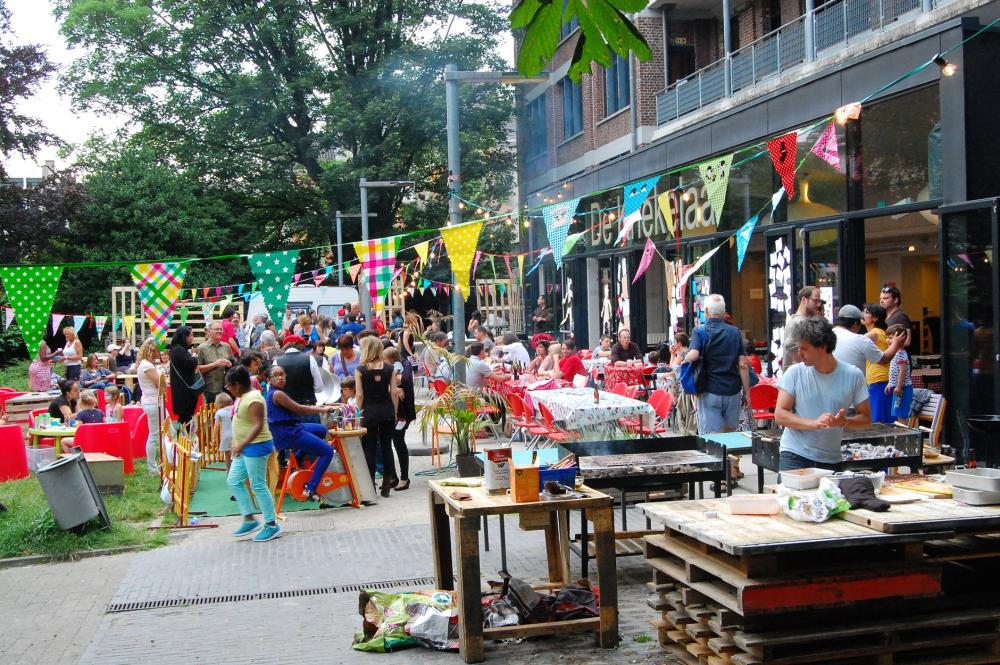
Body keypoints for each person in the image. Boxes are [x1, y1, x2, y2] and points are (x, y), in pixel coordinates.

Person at [775, 318, 871, 470]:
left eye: (804, 349)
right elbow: (780, 414)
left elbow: (866, 418)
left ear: (822, 347)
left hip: (831, 458)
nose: (799, 354)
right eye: (798, 348)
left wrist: (843, 422)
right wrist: (814, 424)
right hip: (794, 453)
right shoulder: (795, 372)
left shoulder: (853, 375)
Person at [225, 366, 282, 542]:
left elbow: (257, 426)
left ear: (237, 384)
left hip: (257, 446)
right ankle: (249, 518)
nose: (229, 390)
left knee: (258, 485)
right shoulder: (243, 397)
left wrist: (242, 443)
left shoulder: (254, 399)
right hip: (245, 447)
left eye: (229, 386)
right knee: (234, 480)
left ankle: (272, 524)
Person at [265, 364, 337, 502]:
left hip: (292, 427)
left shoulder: (278, 392)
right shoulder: (278, 394)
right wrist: (322, 409)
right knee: (327, 451)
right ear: (269, 380)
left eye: (282, 374)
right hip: (288, 432)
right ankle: (311, 488)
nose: (280, 377)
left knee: (321, 430)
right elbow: (299, 409)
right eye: (276, 375)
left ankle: (296, 460)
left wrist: (320, 407)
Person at [683, 294, 752, 434]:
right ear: (723, 312)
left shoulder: (699, 331)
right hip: (732, 391)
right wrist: (747, 393)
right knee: (729, 434)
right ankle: (729, 456)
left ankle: (717, 457)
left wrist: (684, 356)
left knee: (712, 437)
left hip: (709, 391)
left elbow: (694, 355)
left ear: (706, 311)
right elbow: (743, 364)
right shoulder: (735, 332)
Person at [355, 336, 399, 497]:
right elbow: (394, 392)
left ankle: (370, 483)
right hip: (386, 410)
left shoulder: (360, 370)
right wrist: (394, 412)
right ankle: (387, 482)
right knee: (387, 447)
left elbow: (359, 396)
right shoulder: (390, 368)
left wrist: (357, 415)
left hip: (369, 412)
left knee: (370, 448)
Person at [860, 303, 897, 424]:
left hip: (878, 381)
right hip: (883, 380)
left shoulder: (873, 333)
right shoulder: (882, 332)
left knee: (878, 421)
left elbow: (856, 343)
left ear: (875, 318)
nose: (863, 314)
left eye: (866, 312)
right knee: (886, 420)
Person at [382, 347, 414, 491]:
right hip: (392, 412)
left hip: (401, 413)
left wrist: (392, 385)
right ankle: (394, 476)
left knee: (398, 442)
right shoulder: (395, 367)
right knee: (390, 443)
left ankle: (404, 478)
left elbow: (401, 379)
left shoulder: (402, 366)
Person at [275, 335, 324, 422]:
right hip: (308, 409)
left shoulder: (277, 361)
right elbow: (319, 387)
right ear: (300, 345)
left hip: (286, 410)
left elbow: (274, 389)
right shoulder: (309, 359)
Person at [173, 326, 213, 424]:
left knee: (186, 417)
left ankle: (183, 436)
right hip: (184, 391)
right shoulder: (179, 350)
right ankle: (181, 436)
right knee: (184, 417)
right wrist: (195, 355)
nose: (192, 338)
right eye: (191, 335)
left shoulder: (179, 349)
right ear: (184, 337)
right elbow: (191, 363)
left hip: (185, 389)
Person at [136, 337, 163, 473]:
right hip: (153, 401)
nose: (161, 352)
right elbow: (160, 383)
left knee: (166, 431)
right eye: (159, 349)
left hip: (155, 401)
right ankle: (152, 468)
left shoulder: (146, 364)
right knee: (154, 435)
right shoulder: (147, 365)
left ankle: (166, 462)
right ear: (153, 350)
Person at [781, 286, 821, 370]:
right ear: (804, 300)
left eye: (819, 301)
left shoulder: (801, 320)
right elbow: (789, 346)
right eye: (815, 300)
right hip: (797, 377)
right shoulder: (798, 322)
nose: (818, 304)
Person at [197, 320, 235, 405]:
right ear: (209, 331)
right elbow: (197, 369)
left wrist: (230, 364)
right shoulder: (201, 348)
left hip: (227, 388)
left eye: (221, 329)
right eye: (216, 329)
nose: (219, 331)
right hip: (210, 389)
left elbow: (234, 365)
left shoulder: (226, 346)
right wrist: (214, 364)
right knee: (212, 414)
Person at [885, 324, 913, 423]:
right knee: (897, 412)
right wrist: (890, 383)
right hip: (899, 389)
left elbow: (902, 371)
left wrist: (898, 386)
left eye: (890, 338)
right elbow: (894, 371)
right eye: (887, 338)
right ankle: (901, 432)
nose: (887, 340)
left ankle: (903, 433)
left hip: (903, 389)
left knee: (901, 414)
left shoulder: (901, 354)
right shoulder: (895, 353)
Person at [214, 392, 234, 473]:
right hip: (236, 435)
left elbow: (216, 426)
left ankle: (228, 470)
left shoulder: (219, 412)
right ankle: (235, 471)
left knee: (227, 454)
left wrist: (214, 437)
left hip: (226, 436)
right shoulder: (234, 408)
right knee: (235, 454)